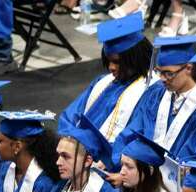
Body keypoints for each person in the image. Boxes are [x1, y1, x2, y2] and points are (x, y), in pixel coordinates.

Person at [61, 15, 153, 143]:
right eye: (108, 61)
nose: (111, 67)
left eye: (117, 62)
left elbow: (134, 137)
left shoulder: (151, 92)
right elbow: (70, 116)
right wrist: (69, 139)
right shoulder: (102, 82)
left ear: (135, 58)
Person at [119, 35, 196, 167]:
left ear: (189, 68)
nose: (163, 79)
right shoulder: (156, 93)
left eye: (169, 73)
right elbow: (135, 128)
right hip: (141, 170)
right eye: (159, 72)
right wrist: (123, 158)